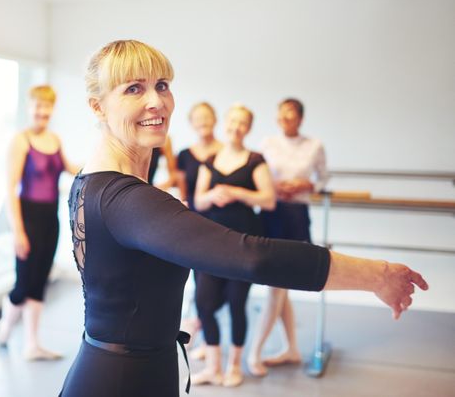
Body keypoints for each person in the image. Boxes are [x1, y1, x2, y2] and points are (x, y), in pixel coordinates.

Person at [59, 40, 427, 397]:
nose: (156, 101)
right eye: (134, 89)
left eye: (162, 85)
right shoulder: (128, 200)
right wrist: (376, 275)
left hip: (130, 369)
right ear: (98, 107)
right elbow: (252, 256)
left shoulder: (90, 182)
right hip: (121, 381)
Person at [191, 104, 275, 387]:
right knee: (204, 302)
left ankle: (234, 366)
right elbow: (198, 201)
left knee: (237, 303)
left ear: (248, 128)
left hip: (243, 244)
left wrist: (237, 192)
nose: (236, 127)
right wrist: (214, 193)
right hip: (212, 243)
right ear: (225, 123)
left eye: (242, 123)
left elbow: (268, 200)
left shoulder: (255, 160)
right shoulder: (211, 160)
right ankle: (214, 367)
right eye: (233, 121)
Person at [0, 85, 78, 361]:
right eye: (37, 106)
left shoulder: (54, 139)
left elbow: (70, 168)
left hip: (50, 218)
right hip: (27, 218)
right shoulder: (21, 141)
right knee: (23, 284)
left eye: (47, 107)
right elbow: (10, 190)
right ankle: (5, 327)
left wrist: (104, 166)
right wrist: (18, 231)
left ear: (52, 109)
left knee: (40, 280)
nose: (42, 112)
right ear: (29, 108)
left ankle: (32, 343)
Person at [247, 97, 327, 376]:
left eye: (290, 117)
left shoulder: (313, 145)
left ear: (300, 119)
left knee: (277, 288)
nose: (284, 121)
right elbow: (255, 175)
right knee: (277, 288)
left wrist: (306, 184)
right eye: (280, 116)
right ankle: (291, 348)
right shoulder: (268, 144)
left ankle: (254, 352)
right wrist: (274, 185)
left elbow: (323, 179)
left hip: (296, 215)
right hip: (271, 214)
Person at [175, 102, 222, 359]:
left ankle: (202, 328)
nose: (203, 122)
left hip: (221, 224)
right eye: (198, 118)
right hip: (194, 222)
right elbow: (181, 188)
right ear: (191, 123)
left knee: (216, 282)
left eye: (207, 116)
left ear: (215, 119)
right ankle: (203, 332)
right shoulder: (184, 154)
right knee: (199, 280)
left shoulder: (226, 152)